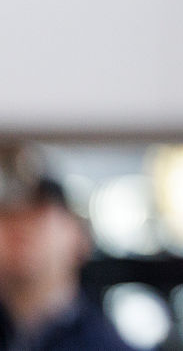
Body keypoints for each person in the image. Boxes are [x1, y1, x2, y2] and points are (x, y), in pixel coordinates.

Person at [0, 144, 132, 350]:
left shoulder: (105, 345)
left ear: (80, 235)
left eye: (40, 206)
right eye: (5, 211)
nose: (20, 223)